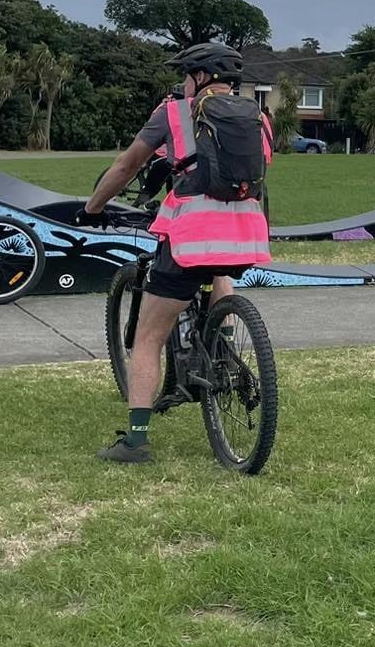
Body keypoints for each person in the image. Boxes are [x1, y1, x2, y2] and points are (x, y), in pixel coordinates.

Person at [77, 42, 273, 464]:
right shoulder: (257, 117)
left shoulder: (173, 112)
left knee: (148, 338)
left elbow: (128, 166)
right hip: (245, 234)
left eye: (186, 75)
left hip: (190, 233)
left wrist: (93, 207)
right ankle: (221, 341)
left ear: (199, 76)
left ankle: (135, 441)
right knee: (219, 267)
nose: (183, 83)